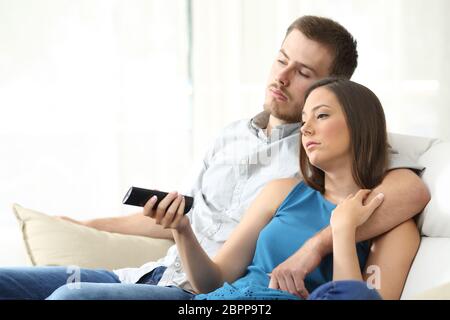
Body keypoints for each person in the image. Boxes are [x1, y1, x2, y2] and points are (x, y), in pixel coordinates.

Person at [0, 16, 428, 300]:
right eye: (281, 60)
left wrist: (322, 242)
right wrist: (83, 225)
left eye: (302, 73)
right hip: (158, 273)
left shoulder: (316, 155)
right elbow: (184, 218)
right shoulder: (234, 140)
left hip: (195, 293)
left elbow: (409, 188)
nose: (280, 78)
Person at [135, 77, 420, 300]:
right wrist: (182, 229)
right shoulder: (281, 192)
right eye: (305, 119)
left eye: (321, 116)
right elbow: (213, 281)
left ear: (360, 126)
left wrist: (343, 229)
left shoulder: (395, 228)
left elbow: (355, 298)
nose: (306, 129)